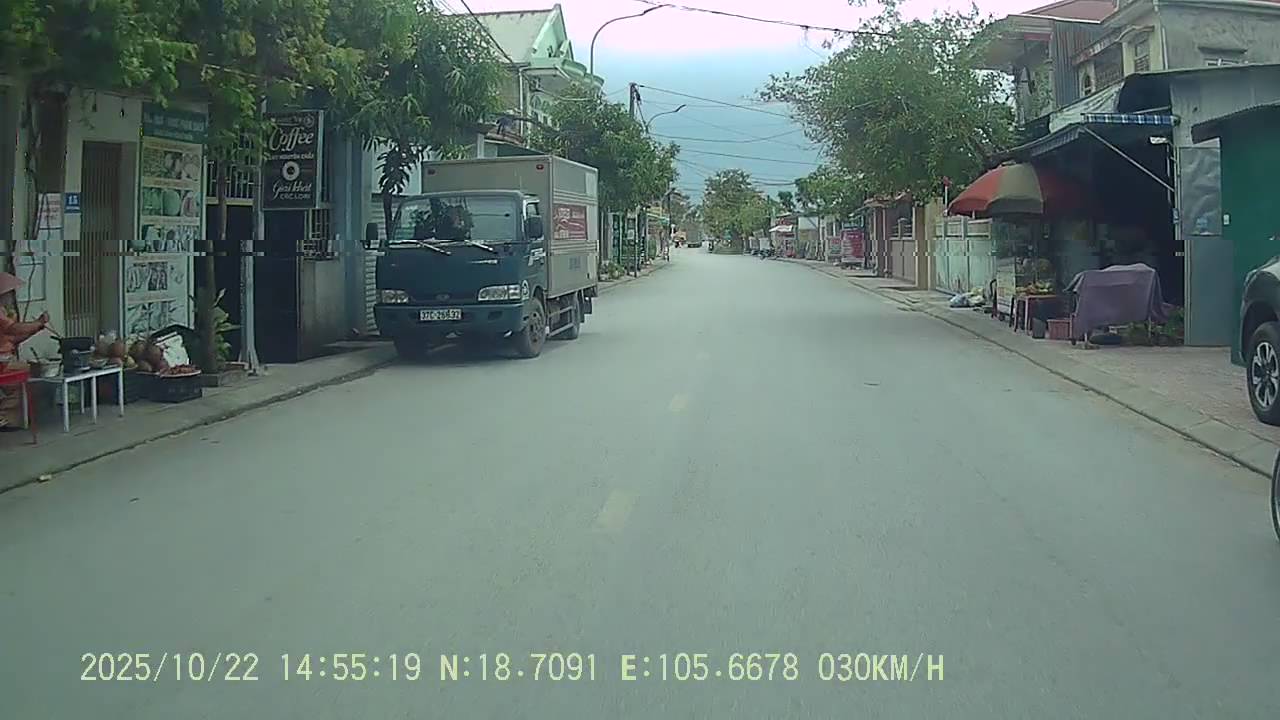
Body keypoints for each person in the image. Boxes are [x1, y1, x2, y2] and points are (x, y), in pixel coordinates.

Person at [0, 272, 49, 430]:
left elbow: (13, 339)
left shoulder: (4, 311)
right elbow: (13, 329)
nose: (11, 296)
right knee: (28, 374)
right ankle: (4, 417)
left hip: (6, 357)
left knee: (25, 378)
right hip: (2, 361)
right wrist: (37, 323)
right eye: (9, 293)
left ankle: (10, 418)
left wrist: (35, 329)